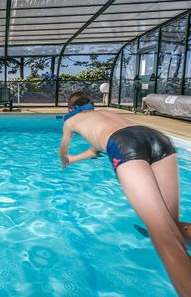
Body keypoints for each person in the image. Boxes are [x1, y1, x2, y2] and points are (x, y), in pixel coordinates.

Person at [59, 91, 191, 296]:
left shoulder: (70, 121)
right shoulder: (103, 114)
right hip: (156, 138)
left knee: (163, 235)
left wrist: (65, 159)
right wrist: (75, 159)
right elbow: (96, 150)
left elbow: (63, 150)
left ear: (69, 109)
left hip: (125, 145)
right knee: (171, 225)